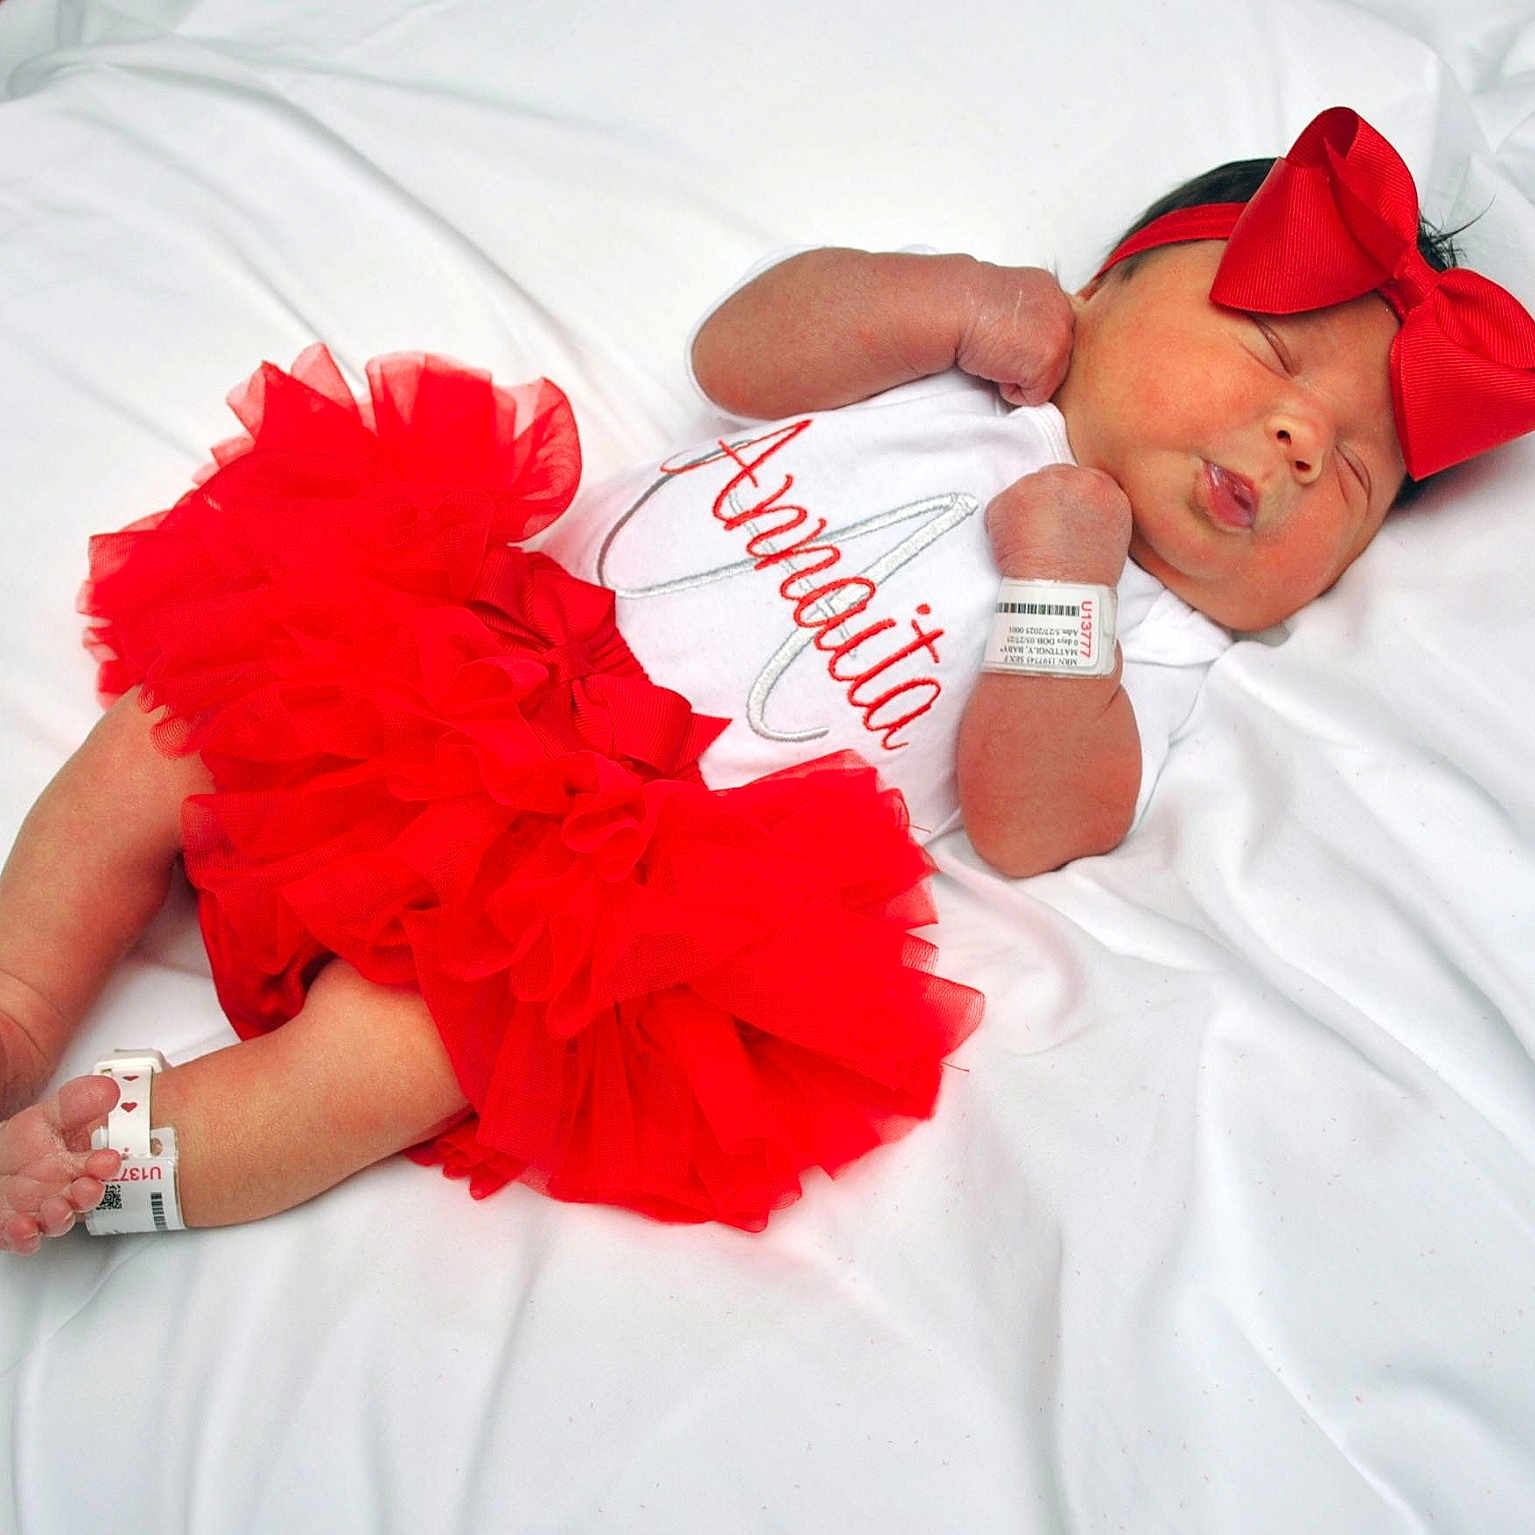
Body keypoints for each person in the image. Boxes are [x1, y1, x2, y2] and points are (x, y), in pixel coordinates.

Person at [2, 107, 1531, 1253]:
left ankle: (112, 1166)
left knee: (411, 1047)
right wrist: (951, 297)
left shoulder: (1162, 631)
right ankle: (15, 999)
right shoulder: (974, 366)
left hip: (628, 865)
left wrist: (1066, 592)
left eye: (1356, 475)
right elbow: (740, 352)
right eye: (1274, 354)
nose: (1299, 442)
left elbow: (1035, 825)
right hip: (483, 651)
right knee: (180, 719)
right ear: (1102, 294)